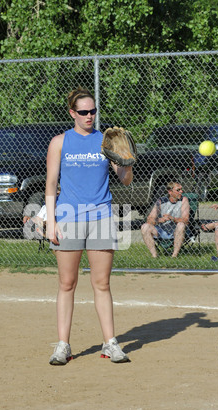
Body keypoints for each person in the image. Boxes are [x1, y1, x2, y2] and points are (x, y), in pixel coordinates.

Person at [45, 86, 133, 365]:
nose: (89, 116)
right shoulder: (60, 142)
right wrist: (51, 221)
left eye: (93, 111)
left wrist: (128, 162)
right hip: (68, 216)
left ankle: (110, 343)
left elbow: (125, 180)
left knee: (102, 283)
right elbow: (50, 186)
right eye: (83, 112)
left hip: (101, 217)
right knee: (67, 283)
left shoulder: (105, 141)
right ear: (72, 113)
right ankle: (63, 345)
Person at [141, 181, 190, 258]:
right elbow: (149, 219)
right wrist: (160, 220)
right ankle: (154, 256)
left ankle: (174, 256)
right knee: (145, 226)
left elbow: (186, 220)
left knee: (181, 225)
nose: (181, 191)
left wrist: (173, 218)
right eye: (178, 190)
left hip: (176, 230)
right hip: (161, 230)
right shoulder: (161, 200)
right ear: (170, 192)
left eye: (181, 189)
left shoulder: (184, 200)